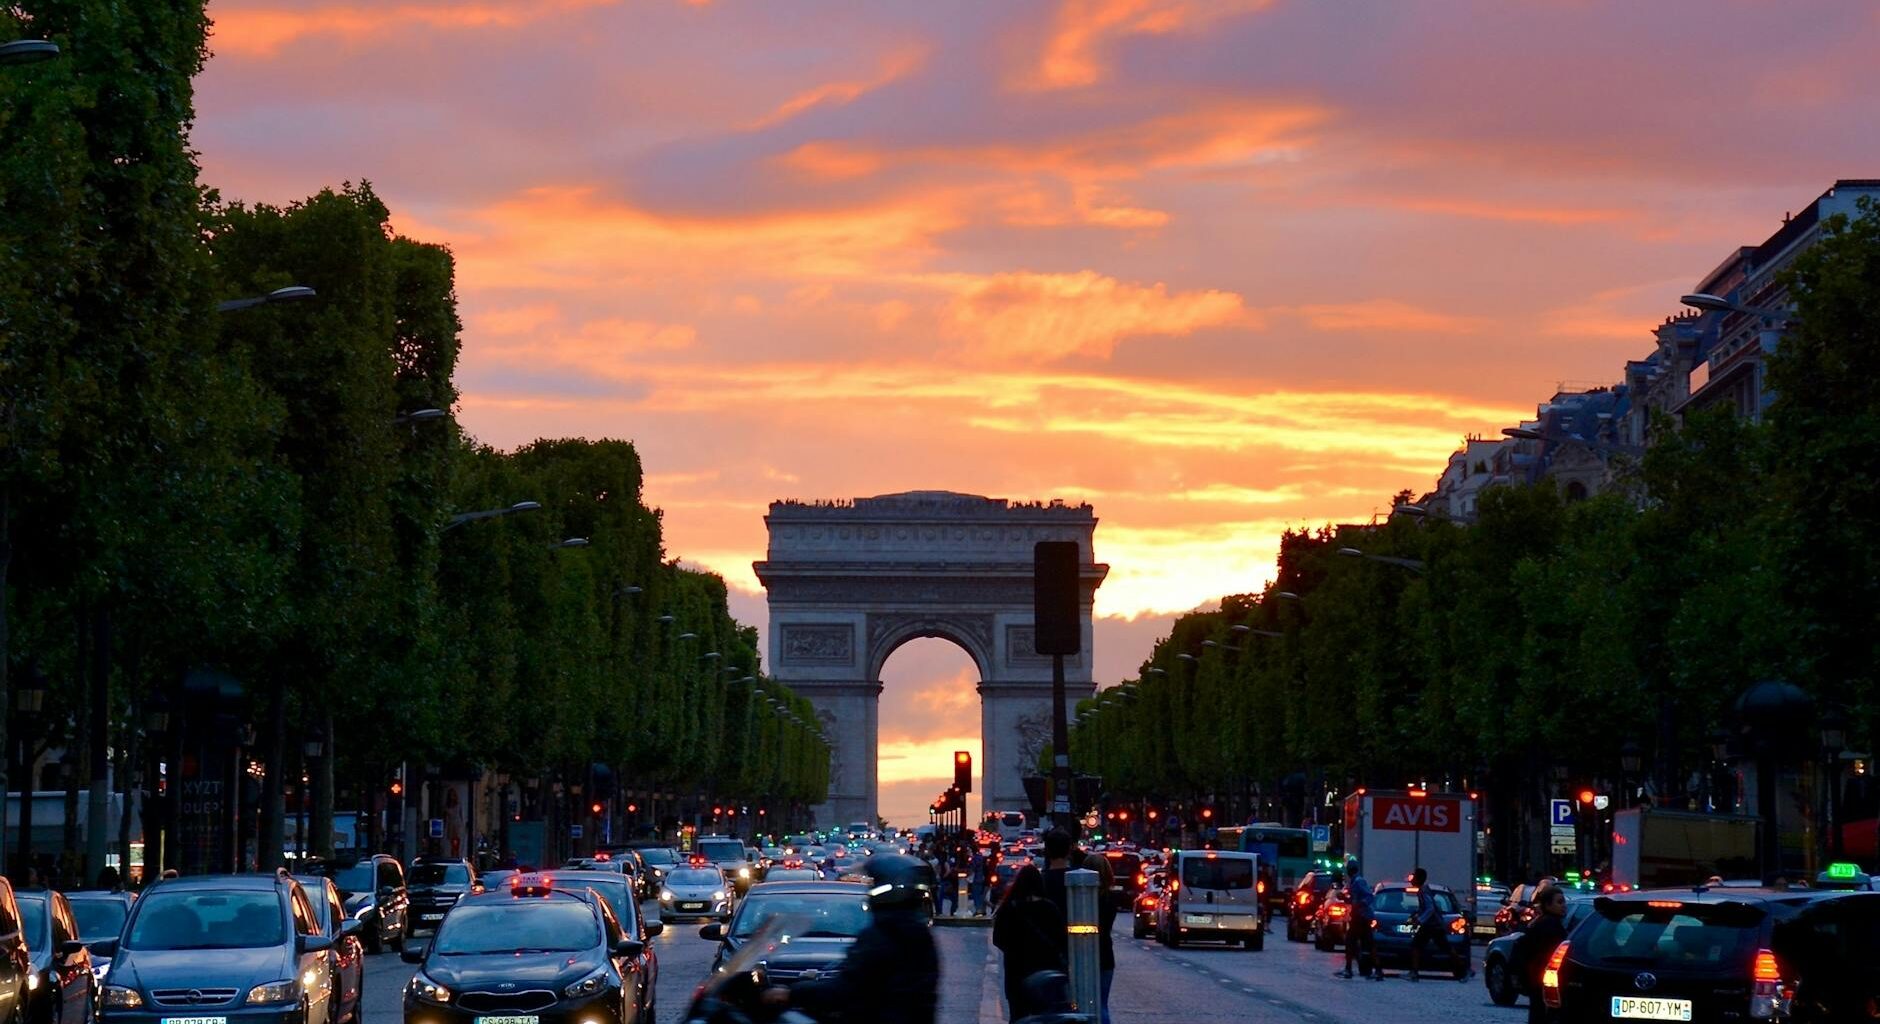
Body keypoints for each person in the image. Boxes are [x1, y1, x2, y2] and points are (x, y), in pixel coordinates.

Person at [765, 853, 939, 1024]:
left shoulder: (883, 936)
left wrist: (792, 993)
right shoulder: (915, 932)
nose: (870, 890)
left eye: (874, 883)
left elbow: (845, 989)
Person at [993, 865, 1066, 1022]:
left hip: (1017, 972)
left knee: (1018, 1015)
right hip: (1046, 970)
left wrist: (1015, 950)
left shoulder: (1009, 908)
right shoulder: (1050, 908)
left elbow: (998, 939)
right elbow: (1062, 939)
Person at [1511, 884, 1568, 1024]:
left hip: (1536, 979)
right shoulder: (1550, 925)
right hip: (1543, 978)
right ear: (1548, 905)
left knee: (1538, 1012)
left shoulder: (1541, 922)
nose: (1563, 906)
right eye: (1559, 902)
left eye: (1564, 902)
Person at [1406, 866, 1465, 981]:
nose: (1411, 880)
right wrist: (1416, 915)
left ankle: (1414, 973)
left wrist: (1419, 920)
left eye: (1414, 877)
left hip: (1431, 926)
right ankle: (1462, 968)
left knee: (1416, 946)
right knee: (1446, 948)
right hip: (1434, 925)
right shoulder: (1424, 890)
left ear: (1419, 879)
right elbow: (1426, 908)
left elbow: (1430, 908)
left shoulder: (1423, 891)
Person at [1340, 857, 1379, 980]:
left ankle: (1349, 969)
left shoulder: (1358, 881)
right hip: (1360, 917)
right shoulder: (1354, 882)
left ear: (1350, 870)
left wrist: (1359, 904)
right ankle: (1376, 970)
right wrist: (1347, 899)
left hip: (1361, 918)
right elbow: (1355, 899)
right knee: (1366, 944)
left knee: (1351, 942)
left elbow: (1369, 897)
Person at [969, 846, 990, 916]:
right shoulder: (982, 858)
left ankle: (978, 910)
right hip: (982, 878)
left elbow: (973, 868)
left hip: (976, 878)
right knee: (980, 895)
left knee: (976, 895)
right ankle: (981, 909)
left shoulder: (974, 859)